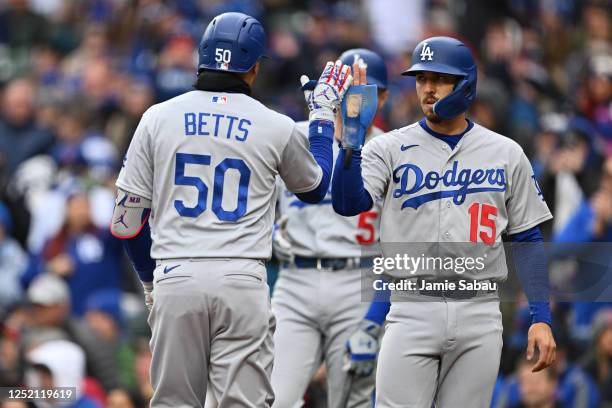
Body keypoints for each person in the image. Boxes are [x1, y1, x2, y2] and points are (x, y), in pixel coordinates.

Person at [109, 12, 353, 408]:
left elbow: (125, 223)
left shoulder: (156, 117)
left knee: (173, 402)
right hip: (241, 276)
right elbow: (315, 188)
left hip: (177, 273)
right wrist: (322, 118)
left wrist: (151, 281)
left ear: (201, 57)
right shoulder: (274, 124)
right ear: (254, 67)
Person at [331, 36, 556, 407]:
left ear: (465, 84)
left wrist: (541, 316)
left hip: (480, 309)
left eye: (439, 78)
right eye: (421, 78)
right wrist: (351, 145)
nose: (428, 88)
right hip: (411, 305)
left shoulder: (506, 152)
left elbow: (527, 238)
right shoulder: (387, 147)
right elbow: (346, 203)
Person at [270, 48, 389, 408]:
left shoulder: (392, 147)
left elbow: (399, 249)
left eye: (368, 88)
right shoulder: (296, 135)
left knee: (350, 401)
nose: (356, 93)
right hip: (295, 280)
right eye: (348, 85)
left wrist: (376, 314)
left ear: (381, 97)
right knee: (273, 397)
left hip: (358, 282)